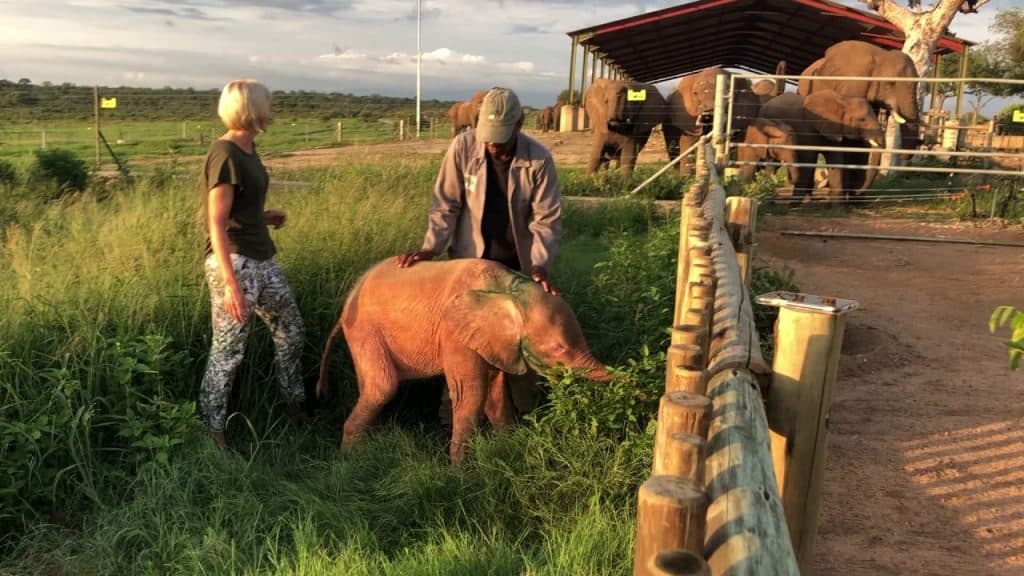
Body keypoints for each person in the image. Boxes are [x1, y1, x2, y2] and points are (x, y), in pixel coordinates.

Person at [397, 86, 563, 417]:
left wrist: (539, 266)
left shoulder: (539, 159)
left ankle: (525, 415)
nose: (492, 145)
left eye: (500, 138)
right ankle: (451, 416)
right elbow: (445, 205)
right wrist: (430, 248)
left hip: (517, 268)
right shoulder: (462, 147)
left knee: (519, 341)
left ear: (519, 125)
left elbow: (546, 220)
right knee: (463, 341)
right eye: (487, 136)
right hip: (469, 265)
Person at [199, 79, 306, 450]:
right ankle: (214, 434)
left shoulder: (248, 149)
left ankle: (293, 405)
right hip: (235, 264)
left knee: (291, 329)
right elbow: (216, 223)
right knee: (228, 352)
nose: (271, 112)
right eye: (267, 105)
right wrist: (230, 285)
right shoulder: (224, 153)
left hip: (262, 256)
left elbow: (238, 210)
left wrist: (264, 217)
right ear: (252, 109)